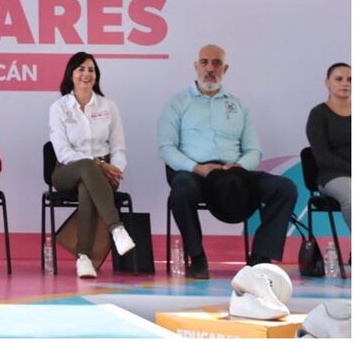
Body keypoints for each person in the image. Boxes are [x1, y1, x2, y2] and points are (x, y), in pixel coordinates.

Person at [158, 44, 298, 279]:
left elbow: (254, 150)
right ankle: (197, 257)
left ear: (225, 68)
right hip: (196, 172)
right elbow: (166, 148)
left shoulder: (239, 105)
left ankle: (260, 259)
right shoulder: (177, 103)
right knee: (181, 189)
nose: (210, 68)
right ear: (196, 66)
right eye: (204, 62)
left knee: (284, 188)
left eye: (216, 63)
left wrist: (241, 166)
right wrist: (197, 168)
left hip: (235, 172)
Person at [48, 52, 136, 279]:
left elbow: (119, 147)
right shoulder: (59, 107)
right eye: (81, 69)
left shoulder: (109, 105)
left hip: (104, 172)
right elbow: (63, 152)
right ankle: (116, 228)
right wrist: (99, 165)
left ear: (96, 76)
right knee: (87, 167)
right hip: (66, 170)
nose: (86, 74)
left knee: (87, 187)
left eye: (91, 70)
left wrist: (115, 168)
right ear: (71, 75)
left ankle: (84, 258)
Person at [306, 62, 351, 227]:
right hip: (333, 176)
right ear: (327, 82)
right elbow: (323, 156)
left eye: (350, 79)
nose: (345, 83)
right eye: (339, 79)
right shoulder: (318, 114)